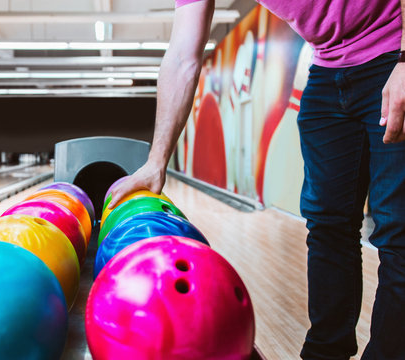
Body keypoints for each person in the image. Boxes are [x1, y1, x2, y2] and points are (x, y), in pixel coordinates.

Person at [109, 0, 405, 359]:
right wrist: (156, 162)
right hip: (328, 68)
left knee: (398, 230)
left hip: (394, 51)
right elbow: (182, 56)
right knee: (329, 227)